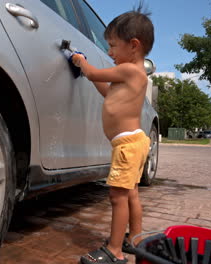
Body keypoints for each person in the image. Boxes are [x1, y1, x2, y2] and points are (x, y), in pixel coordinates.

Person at [73, 6, 154, 264]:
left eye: (112, 46)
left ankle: (114, 250)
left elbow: (94, 72)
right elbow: (107, 92)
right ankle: (135, 239)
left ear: (133, 45)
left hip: (127, 145)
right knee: (130, 193)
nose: (109, 52)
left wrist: (80, 61)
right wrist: (90, 76)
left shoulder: (130, 70)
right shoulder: (133, 74)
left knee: (117, 196)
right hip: (133, 142)